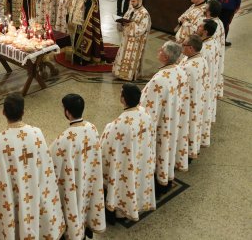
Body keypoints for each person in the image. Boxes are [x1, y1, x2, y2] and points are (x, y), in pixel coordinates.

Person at [0, 93, 66, 239]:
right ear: (23, 112)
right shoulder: (37, 134)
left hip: (9, 196)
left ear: (3, 112)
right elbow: (46, 169)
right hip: (33, 192)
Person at [50, 94, 106, 238]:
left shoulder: (64, 139)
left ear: (67, 112)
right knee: (86, 201)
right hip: (88, 177)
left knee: (74, 203)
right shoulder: (92, 128)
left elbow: (51, 165)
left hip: (73, 182)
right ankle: (86, 226)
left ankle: (74, 232)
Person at [100, 83, 156, 223]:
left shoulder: (118, 125)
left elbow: (104, 150)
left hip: (125, 164)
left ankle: (120, 209)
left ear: (123, 99)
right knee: (137, 178)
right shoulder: (145, 113)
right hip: (141, 157)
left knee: (124, 180)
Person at [139, 41, 189, 197]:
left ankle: (157, 179)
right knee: (167, 149)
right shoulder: (180, 70)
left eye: (161, 50)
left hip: (161, 123)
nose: (158, 50)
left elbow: (147, 109)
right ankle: (165, 175)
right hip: (173, 118)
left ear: (166, 56)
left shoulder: (158, 80)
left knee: (159, 150)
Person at [179, 35, 209, 161]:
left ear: (191, 48)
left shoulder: (189, 67)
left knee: (185, 128)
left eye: (184, 44)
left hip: (186, 104)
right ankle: (190, 151)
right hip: (197, 101)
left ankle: (183, 154)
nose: (181, 46)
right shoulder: (201, 59)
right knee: (192, 126)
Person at [67, 0, 105, 64]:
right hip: (75, 21)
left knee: (84, 40)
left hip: (86, 23)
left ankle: (84, 59)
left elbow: (94, 7)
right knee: (75, 38)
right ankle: (75, 56)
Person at [113, 0, 151, 81]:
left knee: (131, 59)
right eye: (131, 1)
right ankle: (119, 73)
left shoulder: (144, 14)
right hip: (126, 39)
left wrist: (131, 24)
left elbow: (142, 29)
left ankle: (128, 76)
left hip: (135, 42)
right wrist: (121, 22)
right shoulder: (131, 9)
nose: (131, 3)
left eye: (133, 1)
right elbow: (126, 17)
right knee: (122, 56)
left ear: (139, 0)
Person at [196, 19, 219, 148]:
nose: (197, 27)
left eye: (199, 26)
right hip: (208, 82)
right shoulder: (212, 42)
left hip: (202, 86)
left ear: (205, 31)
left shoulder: (204, 48)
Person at [205, 0, 225, 98]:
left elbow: (206, 41)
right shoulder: (219, 22)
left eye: (206, 7)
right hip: (215, 55)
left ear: (209, 11)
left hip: (210, 56)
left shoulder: (212, 25)